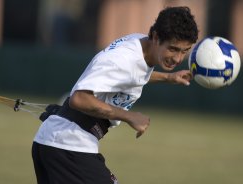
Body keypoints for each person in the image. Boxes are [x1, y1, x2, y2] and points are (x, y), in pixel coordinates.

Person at [32, 6, 198, 184]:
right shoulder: (123, 59)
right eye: (173, 49)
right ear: (156, 37)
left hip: (56, 143)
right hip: (68, 146)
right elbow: (79, 98)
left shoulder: (140, 47)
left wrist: (168, 77)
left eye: (185, 51)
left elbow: (131, 76)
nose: (178, 58)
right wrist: (129, 116)